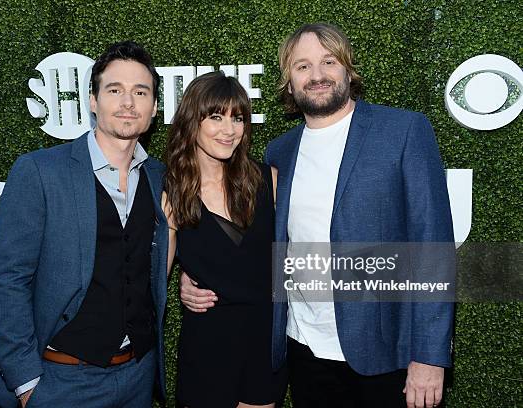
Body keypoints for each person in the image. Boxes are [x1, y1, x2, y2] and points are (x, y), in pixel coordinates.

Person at [181, 23, 455, 408]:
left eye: (329, 62)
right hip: (302, 349)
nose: (318, 76)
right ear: (289, 82)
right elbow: (249, 244)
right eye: (303, 66)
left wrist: (429, 356)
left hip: (386, 356)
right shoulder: (280, 153)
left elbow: (433, 248)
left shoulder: (404, 131)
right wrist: (191, 276)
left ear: (347, 69)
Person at [0, 41, 169, 408]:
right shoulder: (39, 171)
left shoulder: (159, 177)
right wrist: (25, 382)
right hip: (58, 381)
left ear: (154, 107)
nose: (128, 102)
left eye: (140, 92)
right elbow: (7, 278)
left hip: (136, 378)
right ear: (93, 101)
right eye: (115, 90)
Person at [163, 71, 287, 408]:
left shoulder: (268, 181)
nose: (229, 129)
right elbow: (155, 277)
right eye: (216, 117)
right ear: (193, 121)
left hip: (262, 341)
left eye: (238, 118)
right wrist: (181, 280)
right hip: (208, 346)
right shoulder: (171, 192)